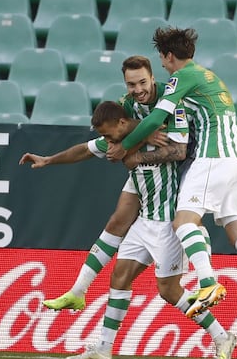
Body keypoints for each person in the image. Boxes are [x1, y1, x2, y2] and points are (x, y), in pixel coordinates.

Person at [22, 100, 237, 359]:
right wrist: (49, 160)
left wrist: (146, 140)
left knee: (169, 291)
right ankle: (104, 347)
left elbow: (182, 150)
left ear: (123, 124)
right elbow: (83, 150)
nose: (106, 140)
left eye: (108, 134)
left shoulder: (163, 137)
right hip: (144, 221)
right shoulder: (119, 142)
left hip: (168, 224)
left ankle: (222, 336)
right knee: (119, 277)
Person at [106, 27, 237, 329]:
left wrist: (125, 146)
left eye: (162, 59)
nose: (162, 65)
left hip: (212, 157)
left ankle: (208, 282)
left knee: (183, 222)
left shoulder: (182, 77)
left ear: (169, 55)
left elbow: (153, 119)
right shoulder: (211, 78)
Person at [20, 55, 214, 313]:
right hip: (145, 170)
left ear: (152, 78)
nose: (138, 90)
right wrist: (49, 160)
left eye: (142, 82)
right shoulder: (127, 105)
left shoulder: (171, 96)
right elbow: (106, 142)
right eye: (131, 85)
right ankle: (78, 292)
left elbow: (176, 145)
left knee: (167, 282)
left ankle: (200, 252)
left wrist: (135, 144)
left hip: (176, 168)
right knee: (117, 222)